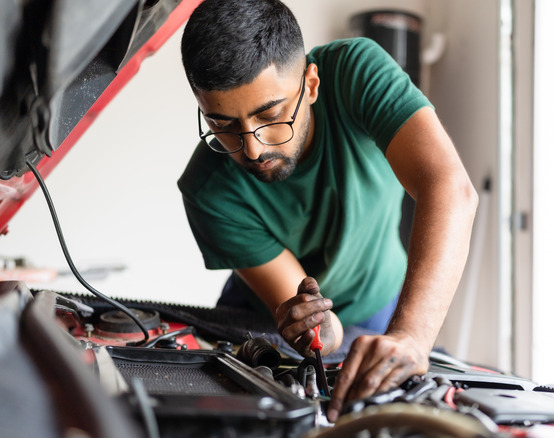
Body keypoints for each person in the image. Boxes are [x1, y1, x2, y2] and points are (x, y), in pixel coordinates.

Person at [177, 0, 477, 421]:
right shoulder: (208, 191)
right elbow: (310, 317)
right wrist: (318, 329)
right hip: (270, 318)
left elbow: (449, 189)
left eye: (271, 114)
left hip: (383, 298)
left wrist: (410, 336)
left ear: (311, 85)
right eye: (223, 125)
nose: (252, 148)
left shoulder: (357, 72)